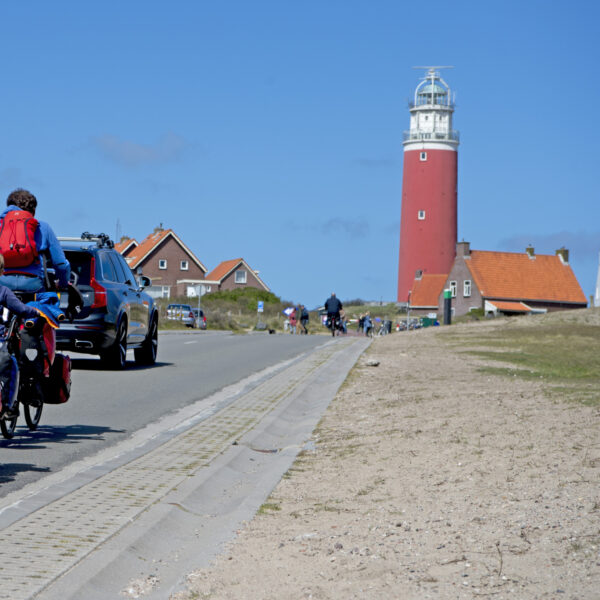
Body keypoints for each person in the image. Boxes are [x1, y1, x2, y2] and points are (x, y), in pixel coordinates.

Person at [0, 189, 70, 293]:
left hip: (2, 282)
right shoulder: (43, 227)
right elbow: (60, 263)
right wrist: (63, 284)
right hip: (33, 284)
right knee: (47, 305)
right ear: (33, 211)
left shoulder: (1, 225)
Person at [0, 253, 43, 418]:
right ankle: (8, 407)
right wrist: (35, 312)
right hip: (1, 341)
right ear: (2, 271)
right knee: (11, 365)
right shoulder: (4, 292)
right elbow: (22, 310)